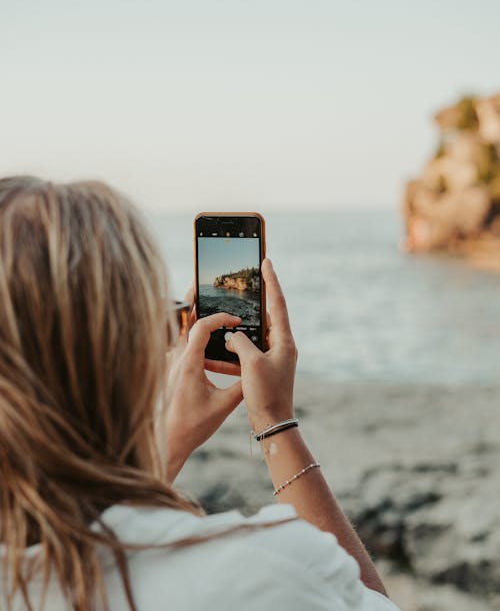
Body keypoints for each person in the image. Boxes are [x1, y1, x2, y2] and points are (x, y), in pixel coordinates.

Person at [0, 176, 400, 611]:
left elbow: (78, 529)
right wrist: (275, 421)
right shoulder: (261, 574)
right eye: (162, 313)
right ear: (125, 355)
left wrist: (166, 448)